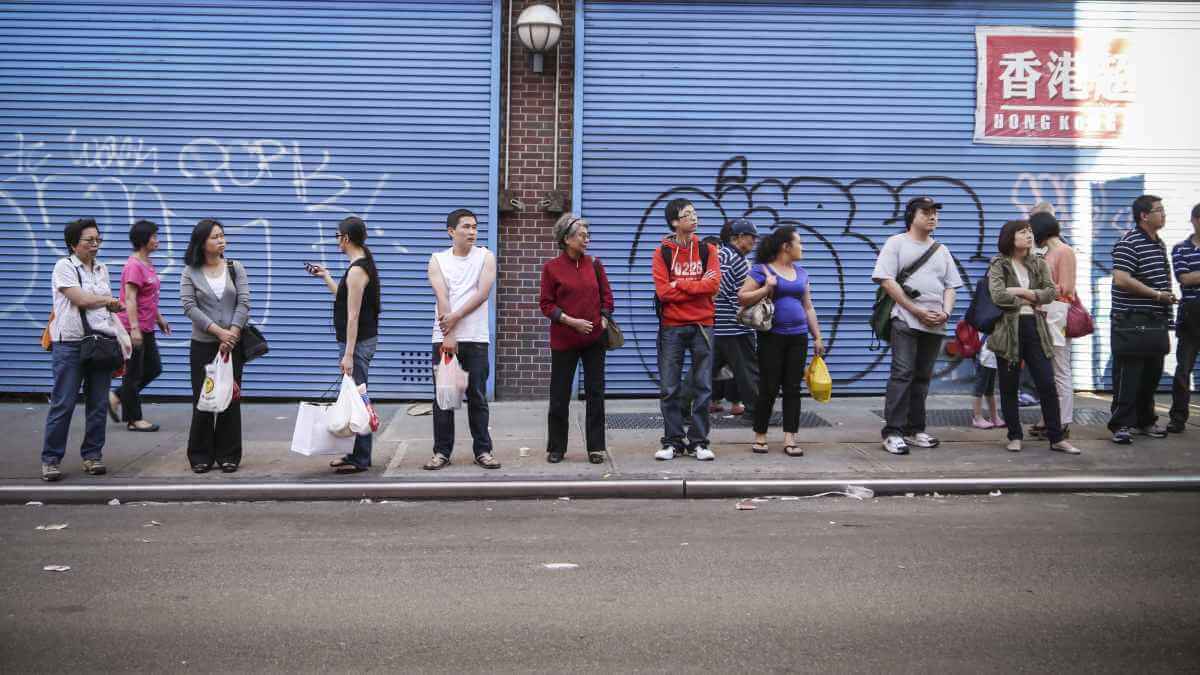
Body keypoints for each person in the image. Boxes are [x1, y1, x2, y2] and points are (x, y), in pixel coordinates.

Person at [871, 196, 962, 455]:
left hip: (935, 323)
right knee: (902, 374)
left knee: (922, 377)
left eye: (935, 212)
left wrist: (946, 312)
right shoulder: (896, 243)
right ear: (912, 216)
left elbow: (950, 286)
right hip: (905, 319)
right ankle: (893, 432)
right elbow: (886, 280)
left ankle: (914, 429)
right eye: (926, 212)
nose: (933, 216)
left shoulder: (941, 250)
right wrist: (915, 311)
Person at [40, 218, 125, 481]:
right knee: (63, 403)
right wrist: (108, 301)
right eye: (89, 240)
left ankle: (92, 456)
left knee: (98, 404)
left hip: (99, 342)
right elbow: (80, 299)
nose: (95, 244)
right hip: (69, 344)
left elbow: (104, 312)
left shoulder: (102, 269)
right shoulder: (63, 267)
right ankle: (51, 460)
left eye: (97, 239)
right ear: (73, 243)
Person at [986, 220, 1078, 454]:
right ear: (1010, 237)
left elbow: (1050, 293)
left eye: (1029, 231)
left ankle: (1057, 437)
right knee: (1009, 385)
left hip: (1036, 327)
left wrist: (1021, 292)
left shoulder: (1038, 262)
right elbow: (997, 296)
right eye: (1022, 232)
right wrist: (1031, 298)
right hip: (1008, 329)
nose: (1029, 235)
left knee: (1047, 382)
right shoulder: (999, 263)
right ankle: (1014, 436)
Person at [424, 209, 500, 470]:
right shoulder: (437, 260)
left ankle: (483, 450)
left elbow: (482, 294)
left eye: (475, 227)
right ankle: (442, 452)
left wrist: (454, 318)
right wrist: (450, 334)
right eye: (466, 227)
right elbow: (442, 297)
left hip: (476, 338)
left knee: (477, 396)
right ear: (451, 231)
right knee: (445, 398)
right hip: (445, 339)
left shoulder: (485, 257)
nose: (472, 232)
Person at [739, 226, 824, 456]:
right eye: (799, 242)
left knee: (793, 388)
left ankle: (790, 438)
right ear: (786, 246)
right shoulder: (762, 270)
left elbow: (808, 306)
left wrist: (817, 335)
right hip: (771, 337)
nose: (802, 247)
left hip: (798, 337)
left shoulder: (801, 273)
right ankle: (760, 436)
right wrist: (767, 287)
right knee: (768, 387)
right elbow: (743, 297)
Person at [306, 216, 382, 473]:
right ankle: (356, 454)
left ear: (346, 238)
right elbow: (344, 296)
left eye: (338, 236)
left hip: (358, 344)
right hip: (358, 343)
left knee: (358, 398)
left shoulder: (358, 269)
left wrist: (348, 355)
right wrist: (326, 276)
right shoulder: (359, 266)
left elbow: (353, 315)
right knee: (355, 396)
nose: (337, 241)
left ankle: (361, 457)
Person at [539, 213, 613, 464]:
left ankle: (596, 447)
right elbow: (546, 305)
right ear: (567, 238)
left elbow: (607, 297)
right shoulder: (552, 268)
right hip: (564, 341)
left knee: (596, 394)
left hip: (594, 341)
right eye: (582, 235)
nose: (587, 239)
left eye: (587, 235)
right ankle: (557, 447)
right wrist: (571, 322)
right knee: (559, 396)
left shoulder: (595, 265)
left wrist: (603, 319)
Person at [179, 218, 250, 473]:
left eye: (222, 235)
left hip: (232, 346)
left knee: (230, 397)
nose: (221, 240)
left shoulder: (235, 267)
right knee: (204, 398)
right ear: (202, 242)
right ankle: (200, 454)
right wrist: (218, 332)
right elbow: (189, 306)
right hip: (203, 345)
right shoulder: (190, 271)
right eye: (215, 237)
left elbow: (244, 302)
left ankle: (229, 454)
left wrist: (231, 334)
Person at [652, 198, 720, 461]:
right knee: (670, 387)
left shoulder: (707, 251)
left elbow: (713, 286)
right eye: (687, 214)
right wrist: (693, 286)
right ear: (674, 222)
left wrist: (679, 284)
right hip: (673, 327)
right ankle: (672, 441)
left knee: (703, 386)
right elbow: (663, 292)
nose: (694, 218)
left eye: (695, 213)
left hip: (703, 325)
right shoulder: (662, 252)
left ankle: (699, 442)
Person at [1109, 195, 1176, 444]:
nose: (1164, 214)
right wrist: (1157, 295)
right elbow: (1121, 279)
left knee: (1151, 375)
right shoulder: (1129, 242)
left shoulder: (1158, 243)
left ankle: (1145, 421)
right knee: (1129, 375)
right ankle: (1121, 425)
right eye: (1159, 210)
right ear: (1144, 216)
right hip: (1131, 320)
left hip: (1155, 320)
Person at [108, 219, 169, 432]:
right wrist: (133, 329)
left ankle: (116, 396)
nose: (157, 240)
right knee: (133, 373)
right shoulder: (134, 266)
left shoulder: (147, 263)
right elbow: (131, 298)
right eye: (153, 236)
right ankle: (135, 419)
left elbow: (148, 297)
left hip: (146, 325)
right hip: (133, 327)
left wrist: (159, 318)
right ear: (143, 240)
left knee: (153, 368)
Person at [1028, 212, 1076, 439]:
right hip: (1044, 313)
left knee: (1059, 369)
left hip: (1057, 314)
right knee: (1046, 371)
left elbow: (1066, 288)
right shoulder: (1047, 252)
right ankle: (1049, 418)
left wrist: (1035, 293)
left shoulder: (1064, 251)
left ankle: (1063, 421)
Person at [712, 218, 759, 420]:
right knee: (748, 371)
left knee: (704, 370)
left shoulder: (730, 255)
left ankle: (682, 406)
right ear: (739, 237)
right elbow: (717, 287)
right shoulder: (729, 256)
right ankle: (757, 411)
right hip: (734, 327)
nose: (754, 242)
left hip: (725, 326)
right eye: (751, 238)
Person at [1169, 203, 1200, 434]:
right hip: (1190, 313)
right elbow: (1185, 279)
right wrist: (1192, 277)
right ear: (1194, 220)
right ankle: (1178, 417)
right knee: (1183, 369)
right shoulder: (1181, 249)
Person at [971, 336, 1000, 429]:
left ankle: (994, 416)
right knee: (979, 388)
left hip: (992, 356)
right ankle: (977, 417)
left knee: (990, 389)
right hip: (985, 356)